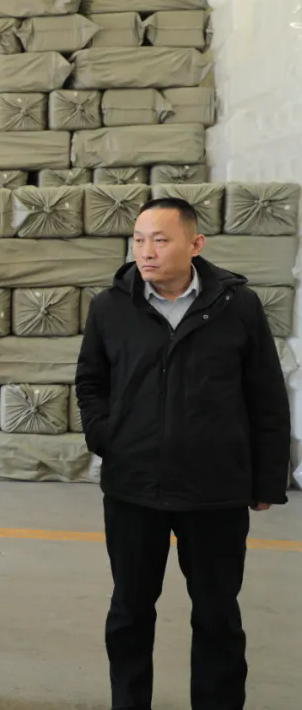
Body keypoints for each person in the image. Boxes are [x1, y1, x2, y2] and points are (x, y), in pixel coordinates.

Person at [75, 197, 291, 710]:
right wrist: (108, 437)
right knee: (130, 611)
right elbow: (91, 382)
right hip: (133, 488)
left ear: (195, 244)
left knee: (217, 614)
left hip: (214, 491)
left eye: (160, 239)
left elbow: (265, 395)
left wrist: (266, 480)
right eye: (139, 240)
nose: (146, 251)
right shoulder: (111, 307)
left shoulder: (238, 306)